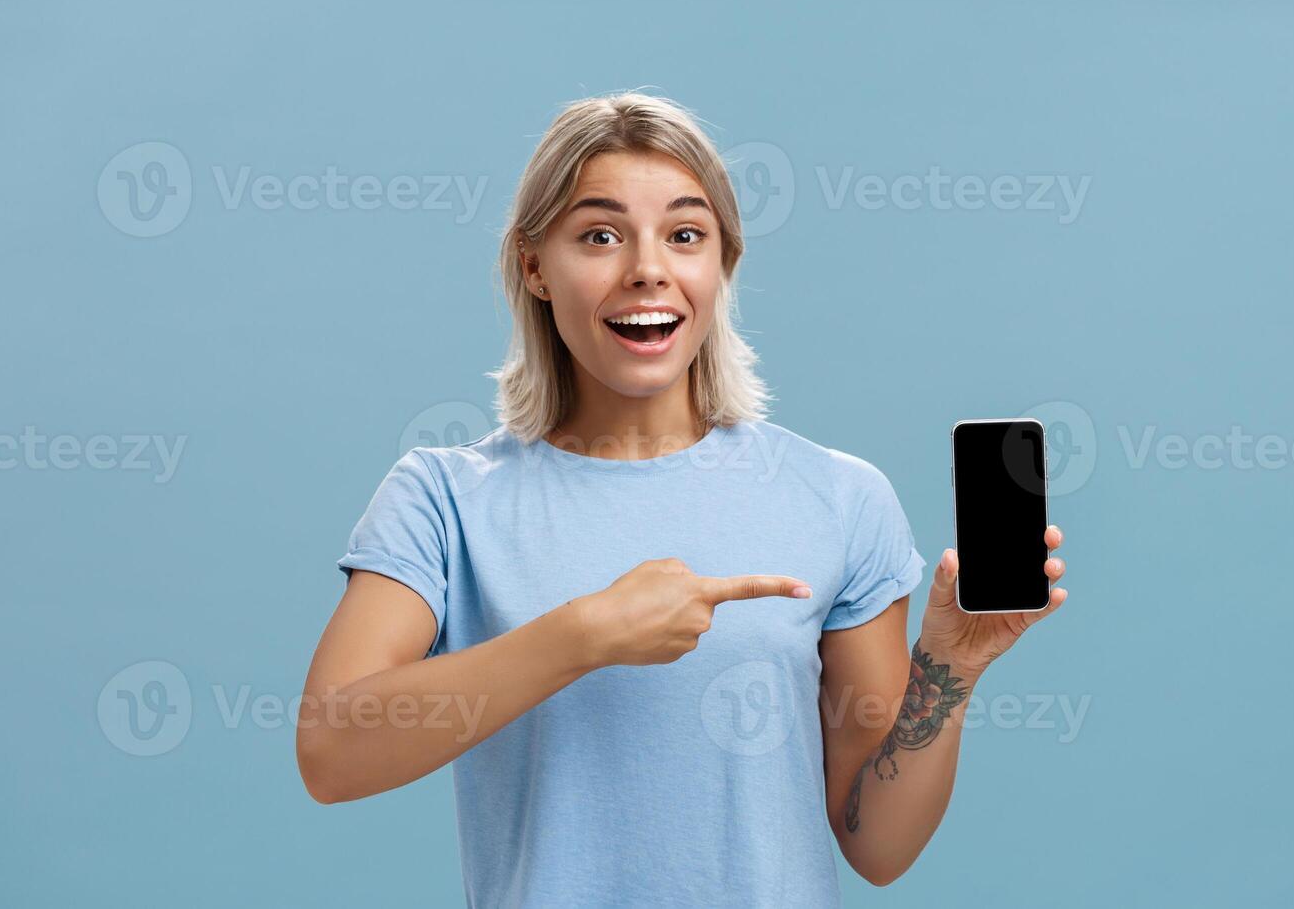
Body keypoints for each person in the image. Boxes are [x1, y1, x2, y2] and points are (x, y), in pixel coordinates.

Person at [298, 92, 1069, 907]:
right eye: (599, 235)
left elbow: (874, 841)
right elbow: (332, 751)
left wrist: (948, 669)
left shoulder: (840, 499)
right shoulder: (444, 500)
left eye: (685, 235)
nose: (647, 268)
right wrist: (585, 633)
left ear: (721, 264)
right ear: (534, 266)